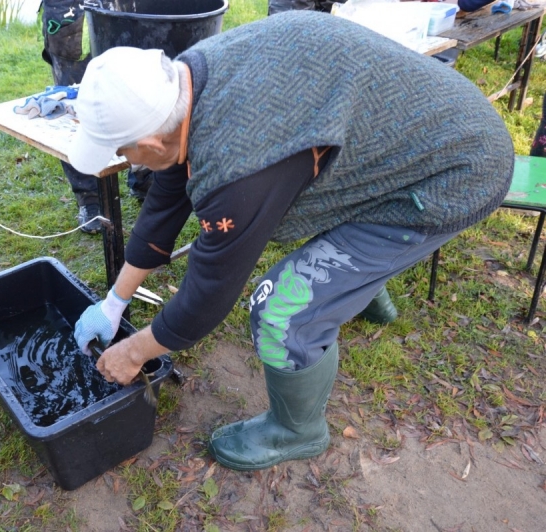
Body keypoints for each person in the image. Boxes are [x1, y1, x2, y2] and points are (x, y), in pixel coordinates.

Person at [67, 12, 514, 471]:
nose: (127, 163)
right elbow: (164, 202)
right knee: (312, 218)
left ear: (152, 140)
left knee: (279, 308)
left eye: (124, 152)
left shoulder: (238, 167)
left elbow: (206, 297)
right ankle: (358, 291)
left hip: (454, 171)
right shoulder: (183, 81)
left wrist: (133, 351)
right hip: (403, 131)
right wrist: (114, 303)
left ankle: (297, 430)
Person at [40, 0, 153, 234]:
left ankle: (144, 175)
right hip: (70, 10)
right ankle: (89, 199)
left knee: (133, 85)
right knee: (77, 103)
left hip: (124, 5)